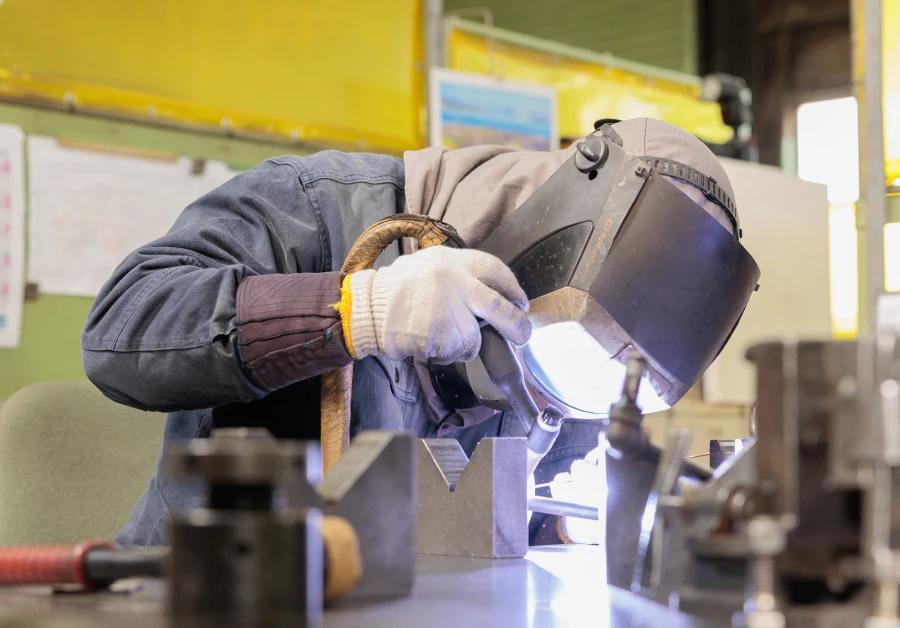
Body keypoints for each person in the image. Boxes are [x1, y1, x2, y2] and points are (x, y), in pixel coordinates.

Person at [83, 118, 748, 548]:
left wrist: (568, 530)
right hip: (205, 599)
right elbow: (121, 328)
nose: (551, 401)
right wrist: (358, 311)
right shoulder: (315, 207)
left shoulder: (581, 370)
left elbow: (525, 532)